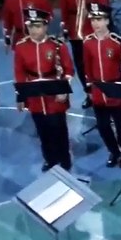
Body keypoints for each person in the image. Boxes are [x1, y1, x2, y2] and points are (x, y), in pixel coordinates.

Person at [14, 9, 75, 172]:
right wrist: (20, 96)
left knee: (59, 129)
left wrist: (64, 90)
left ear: (46, 26)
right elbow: (19, 72)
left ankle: (65, 158)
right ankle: (50, 159)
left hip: (55, 95)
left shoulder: (57, 46)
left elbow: (69, 70)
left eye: (38, 26)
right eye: (30, 26)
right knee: (42, 131)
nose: (34, 30)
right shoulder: (21, 47)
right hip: (34, 97)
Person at [82, 3, 121, 168]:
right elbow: (87, 67)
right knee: (103, 126)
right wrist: (90, 89)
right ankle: (114, 151)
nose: (96, 23)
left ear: (106, 21)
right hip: (98, 90)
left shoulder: (117, 42)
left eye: (99, 19)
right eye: (93, 20)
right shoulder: (88, 43)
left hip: (115, 89)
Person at [58, 0, 109, 106]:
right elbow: (65, 12)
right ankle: (89, 93)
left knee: (97, 62)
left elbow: (104, 8)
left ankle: (102, 90)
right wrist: (66, 29)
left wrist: (91, 13)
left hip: (92, 31)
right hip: (76, 33)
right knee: (81, 65)